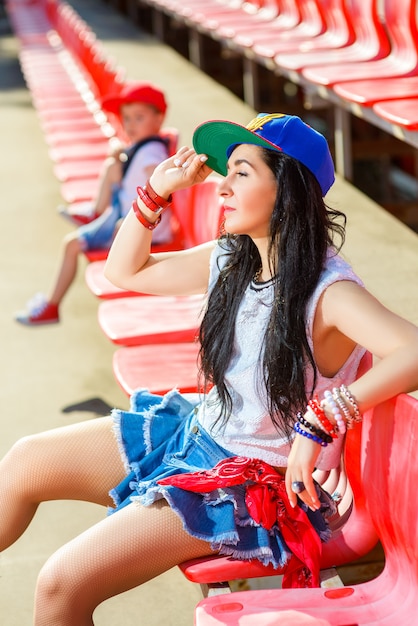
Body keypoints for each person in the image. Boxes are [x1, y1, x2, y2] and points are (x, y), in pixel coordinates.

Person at [2, 113, 418, 623]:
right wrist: (156, 192)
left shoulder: (327, 291)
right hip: (198, 431)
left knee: (61, 583)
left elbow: (412, 350)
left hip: (247, 483)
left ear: (287, 189)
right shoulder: (233, 256)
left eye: (242, 172)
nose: (222, 186)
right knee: (24, 462)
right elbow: (123, 270)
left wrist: (323, 417)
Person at [14, 81, 173, 326]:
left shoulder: (152, 154)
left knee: (72, 244)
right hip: (126, 219)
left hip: (138, 229)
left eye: (138, 118)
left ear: (159, 118)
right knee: (112, 165)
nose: (130, 125)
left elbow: (162, 179)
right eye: (126, 118)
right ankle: (95, 214)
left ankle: (52, 306)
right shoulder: (144, 147)